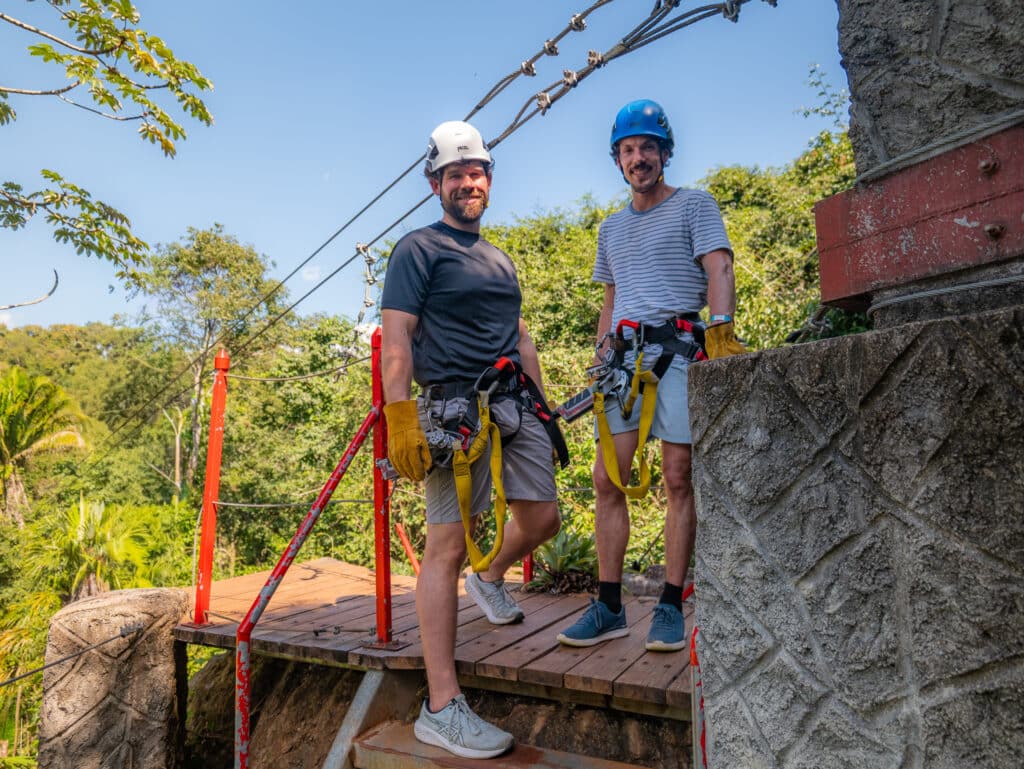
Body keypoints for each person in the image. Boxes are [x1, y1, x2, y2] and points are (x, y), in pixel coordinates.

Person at [380, 120, 561, 759]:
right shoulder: (418, 250)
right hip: (455, 408)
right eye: (455, 174)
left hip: (513, 402)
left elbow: (520, 337)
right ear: (436, 183)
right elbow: (397, 336)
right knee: (445, 547)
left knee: (542, 518)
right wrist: (399, 415)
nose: (468, 181)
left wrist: (542, 407)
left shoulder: (498, 258)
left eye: (476, 172)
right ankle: (441, 706)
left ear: (488, 179)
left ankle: (493, 577)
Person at [557, 99, 747, 652]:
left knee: (677, 474)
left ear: (665, 153)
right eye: (628, 149)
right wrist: (600, 351)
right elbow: (612, 298)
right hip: (625, 361)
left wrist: (722, 328)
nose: (637, 158)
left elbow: (720, 267)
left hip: (680, 350)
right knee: (606, 479)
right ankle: (610, 604)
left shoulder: (695, 205)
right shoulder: (611, 228)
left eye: (646, 148)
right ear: (617, 159)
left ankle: (668, 602)